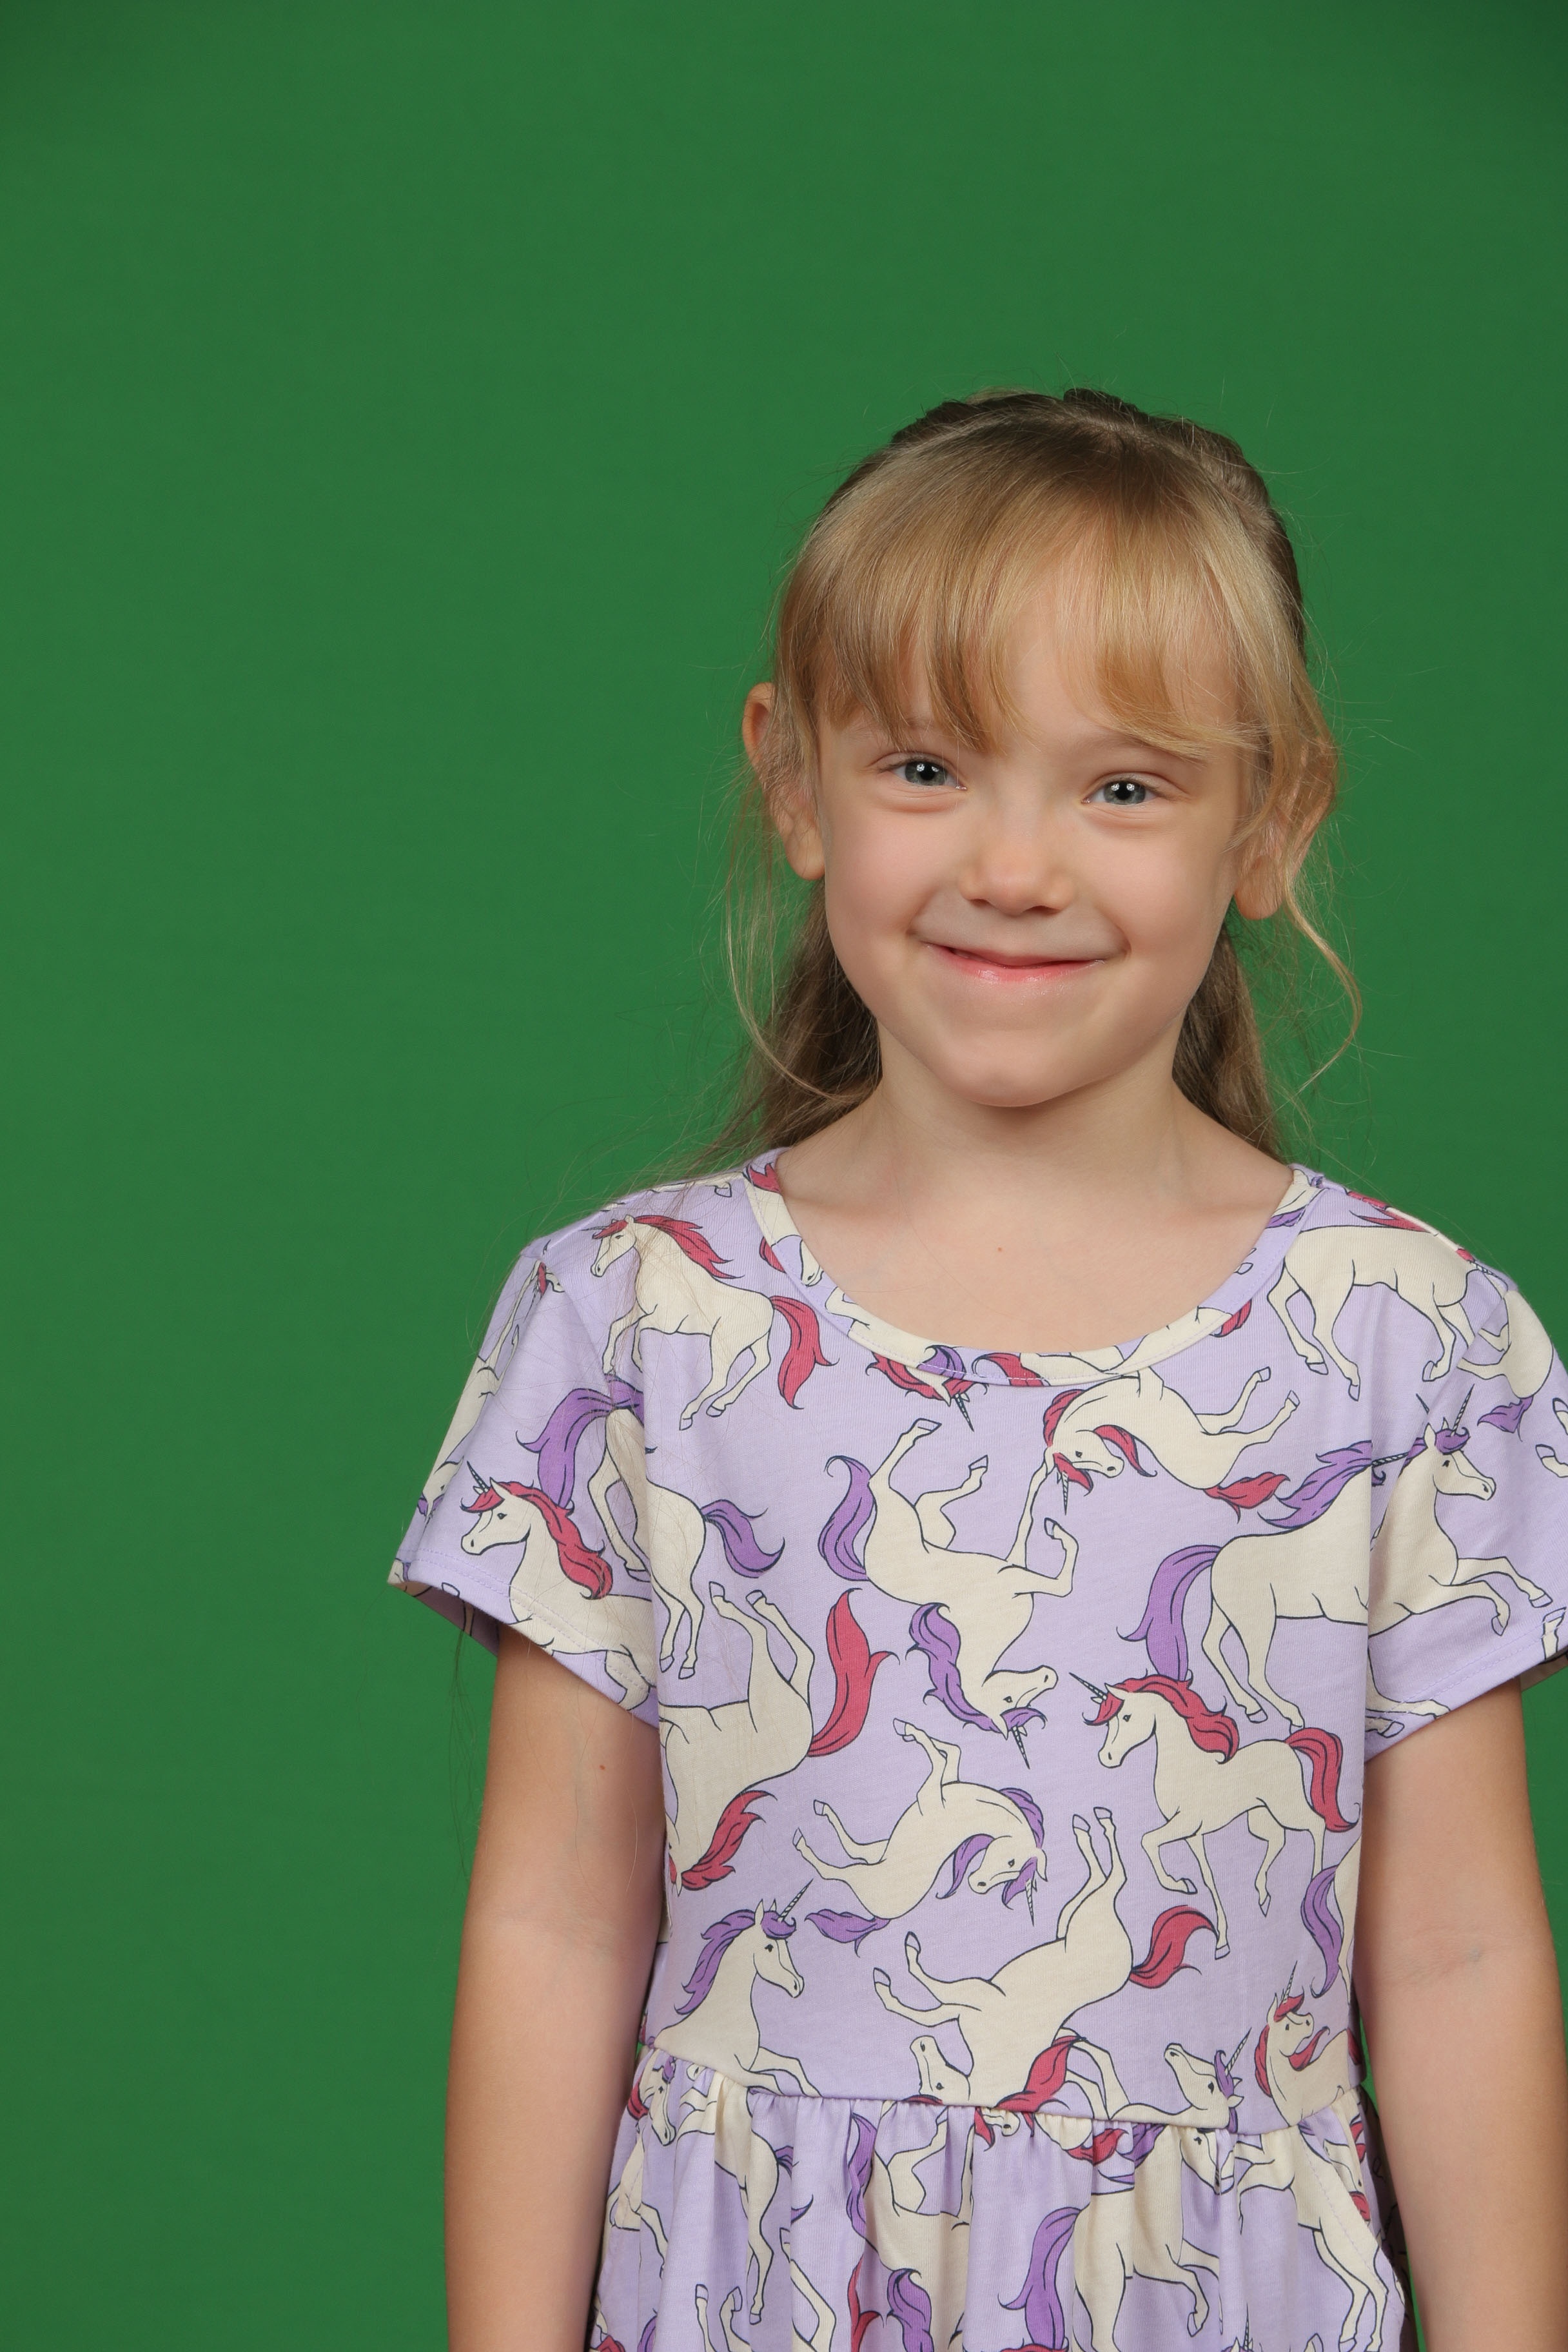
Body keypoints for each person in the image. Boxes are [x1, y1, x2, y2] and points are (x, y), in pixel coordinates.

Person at [391, 390, 1568, 2352]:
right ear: (797, 784)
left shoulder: (1408, 1341)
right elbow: (555, 1918)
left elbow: (1454, 1958)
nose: (1017, 866)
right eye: (929, 765)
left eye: (1125, 786)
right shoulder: (640, 1320)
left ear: (1272, 819)